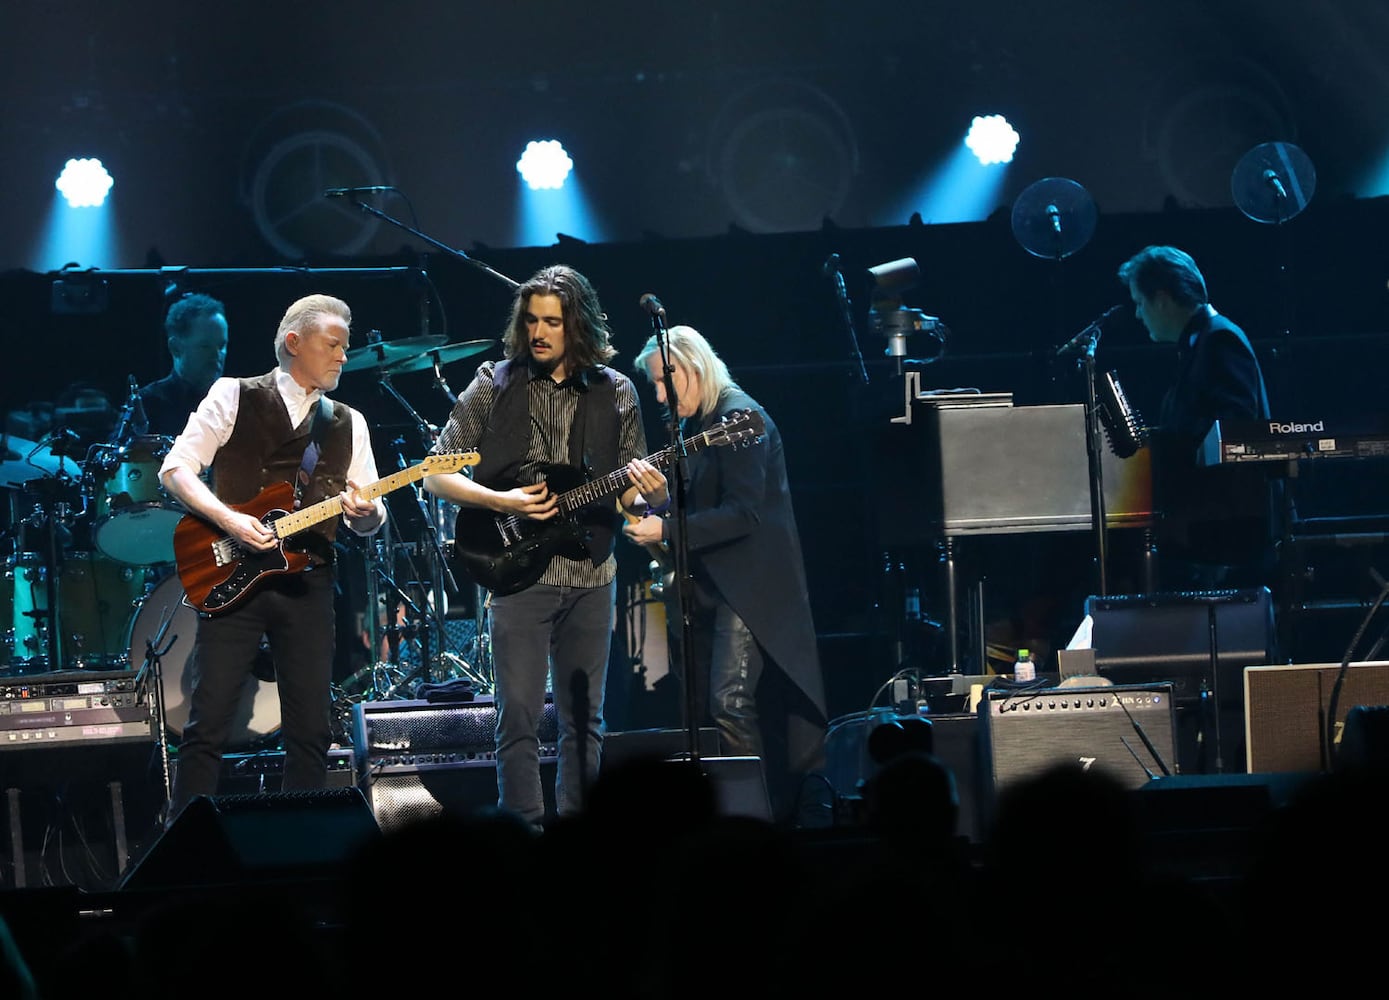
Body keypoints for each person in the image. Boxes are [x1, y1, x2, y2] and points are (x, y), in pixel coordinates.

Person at [423, 264, 665, 828]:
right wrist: (502, 501)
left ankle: (582, 831)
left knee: (586, 719)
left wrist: (649, 497)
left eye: (551, 322)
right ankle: (524, 830)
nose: (538, 332)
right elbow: (435, 473)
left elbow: (629, 494)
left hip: (591, 575)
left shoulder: (617, 390)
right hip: (516, 570)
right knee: (518, 716)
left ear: (576, 324)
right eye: (531, 320)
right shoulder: (493, 382)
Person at [157, 293, 385, 824]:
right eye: (333, 345)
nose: (343, 356)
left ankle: (298, 841)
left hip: (310, 582)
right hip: (232, 575)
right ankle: (185, 841)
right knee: (208, 723)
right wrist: (230, 520)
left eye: (345, 346)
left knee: (311, 729)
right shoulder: (232, 394)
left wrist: (368, 513)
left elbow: (370, 519)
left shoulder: (348, 421)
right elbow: (175, 469)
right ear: (294, 343)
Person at [623, 325, 828, 824]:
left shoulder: (740, 417)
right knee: (710, 709)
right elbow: (703, 509)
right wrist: (662, 505)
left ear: (692, 367)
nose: (658, 396)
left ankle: (750, 822)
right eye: (653, 385)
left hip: (752, 590)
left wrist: (664, 528)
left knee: (728, 701)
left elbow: (743, 514)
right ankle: (732, 815)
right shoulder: (701, 425)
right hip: (718, 585)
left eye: (663, 381)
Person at [1118, 245, 1279, 589]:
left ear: (1162, 299)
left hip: (1227, 516)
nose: (1138, 314)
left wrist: (1160, 446)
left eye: (1140, 303)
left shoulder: (1220, 339)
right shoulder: (1201, 342)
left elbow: (1233, 429)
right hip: (1208, 509)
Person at [137, 292, 229, 437]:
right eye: (205, 346)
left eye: (222, 346)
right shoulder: (147, 404)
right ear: (175, 348)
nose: (217, 355)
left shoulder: (234, 402)